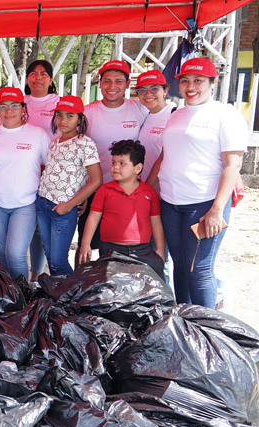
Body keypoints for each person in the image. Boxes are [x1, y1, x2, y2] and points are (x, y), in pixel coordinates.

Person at [147, 58, 247, 308]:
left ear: (213, 83)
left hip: (203, 205)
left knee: (199, 269)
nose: (190, 86)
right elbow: (163, 156)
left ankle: (210, 332)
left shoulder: (225, 114)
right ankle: (187, 323)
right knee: (180, 264)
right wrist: (147, 190)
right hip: (170, 202)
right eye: (185, 80)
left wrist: (216, 210)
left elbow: (232, 166)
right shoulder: (176, 114)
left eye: (198, 80)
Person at [77, 60, 148, 266]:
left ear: (127, 84)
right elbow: (76, 152)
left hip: (128, 191)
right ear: (99, 83)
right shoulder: (87, 112)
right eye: (107, 81)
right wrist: (81, 191)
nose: (112, 86)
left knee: (120, 247)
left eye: (118, 81)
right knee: (87, 244)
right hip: (94, 189)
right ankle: (82, 289)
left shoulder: (140, 109)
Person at [0, 87, 50, 280]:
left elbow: (51, 167)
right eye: (3, 106)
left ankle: (23, 299)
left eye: (14, 105)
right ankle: (8, 297)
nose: (9, 111)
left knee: (15, 255)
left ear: (23, 108)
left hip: (25, 203)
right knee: (2, 254)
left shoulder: (38, 134)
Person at [36, 95, 102, 275]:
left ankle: (72, 297)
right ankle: (59, 296)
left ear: (80, 119)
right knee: (50, 256)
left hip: (63, 209)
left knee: (58, 261)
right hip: (43, 203)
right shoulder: (55, 141)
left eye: (70, 116)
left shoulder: (85, 144)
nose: (63, 120)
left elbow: (96, 180)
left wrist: (70, 205)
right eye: (59, 115)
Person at [79, 139, 165, 277]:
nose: (116, 167)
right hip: (110, 249)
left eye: (122, 163)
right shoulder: (104, 190)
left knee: (151, 289)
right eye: (114, 162)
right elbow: (94, 217)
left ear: (138, 168)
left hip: (142, 250)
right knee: (111, 289)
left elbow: (156, 222)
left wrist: (160, 250)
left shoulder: (149, 192)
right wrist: (85, 243)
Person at [24, 60, 60, 281]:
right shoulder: (19, 103)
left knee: (53, 226)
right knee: (34, 226)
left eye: (43, 74)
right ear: (27, 78)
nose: (38, 78)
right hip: (26, 173)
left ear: (51, 79)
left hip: (56, 175)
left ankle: (57, 276)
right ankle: (35, 277)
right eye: (33, 73)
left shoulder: (60, 103)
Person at [135, 70, 175, 181]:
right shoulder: (144, 116)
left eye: (154, 89)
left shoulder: (175, 116)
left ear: (165, 91)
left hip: (165, 191)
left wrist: (147, 189)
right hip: (144, 185)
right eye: (142, 90)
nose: (148, 94)